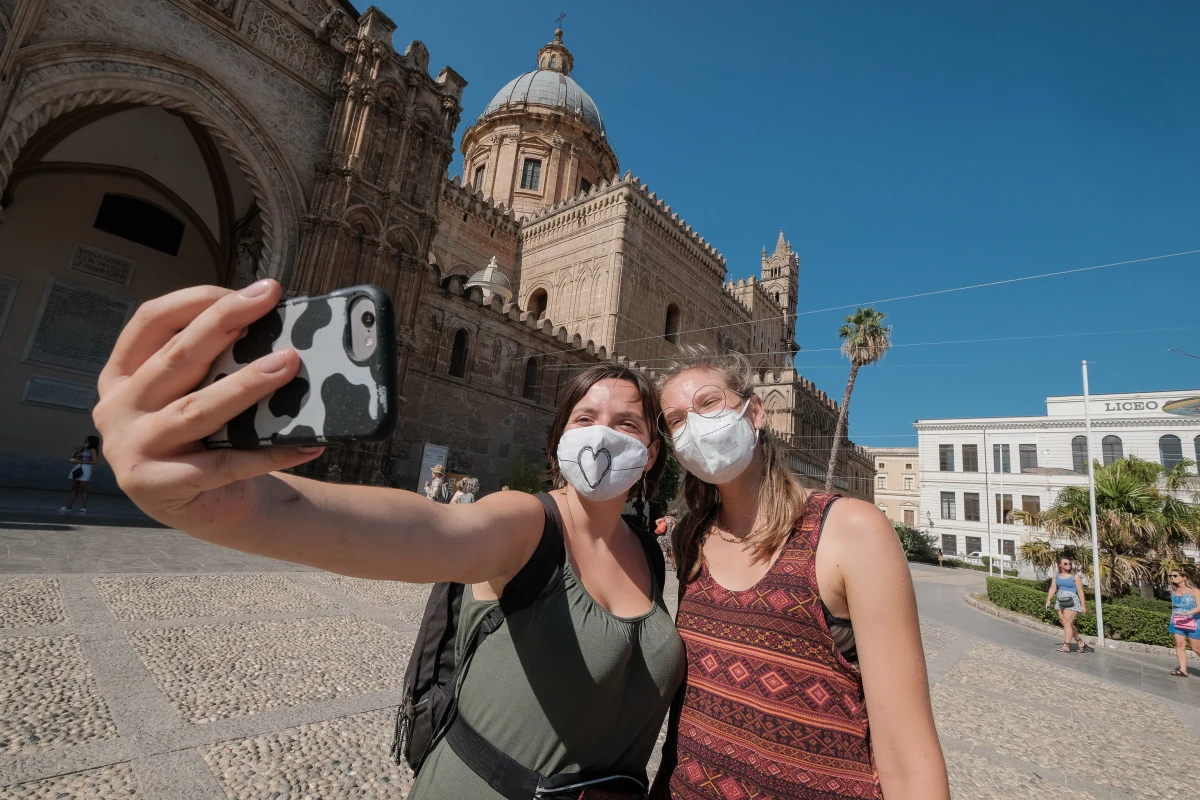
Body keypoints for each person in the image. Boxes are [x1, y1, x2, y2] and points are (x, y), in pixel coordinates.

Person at [91, 279, 684, 800]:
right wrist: (231, 505)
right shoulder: (526, 524)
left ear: (651, 452)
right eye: (585, 419)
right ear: (557, 441)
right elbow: (434, 530)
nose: (602, 438)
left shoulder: (650, 554)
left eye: (626, 424)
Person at [652, 347, 949, 800]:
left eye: (708, 404)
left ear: (755, 413)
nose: (693, 426)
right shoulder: (691, 539)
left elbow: (910, 760)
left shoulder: (849, 530)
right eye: (675, 420)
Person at [1044, 557, 1090, 653]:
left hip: (1072, 601)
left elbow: (1080, 592)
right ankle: (1080, 642)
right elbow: (1053, 588)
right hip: (1060, 601)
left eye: (1069, 563)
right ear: (1060, 564)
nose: (1068, 565)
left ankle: (1066, 646)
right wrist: (1048, 600)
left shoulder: (1075, 577)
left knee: (1067, 623)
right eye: (1065, 563)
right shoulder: (1056, 576)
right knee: (1066, 624)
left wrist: (1083, 606)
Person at [1168, 569, 1200, 677]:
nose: (1172, 577)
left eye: (1175, 575)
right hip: (1177, 621)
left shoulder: (1194, 591)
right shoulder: (1173, 591)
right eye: (1171, 576)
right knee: (1179, 645)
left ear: (1184, 577)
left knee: (1196, 648)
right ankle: (1183, 670)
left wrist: (1187, 614)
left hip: (1193, 621)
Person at [60, 435, 100, 514]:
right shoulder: (82, 449)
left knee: (83, 489)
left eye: (87, 440)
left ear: (91, 442)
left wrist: (80, 462)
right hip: (76, 467)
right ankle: (68, 507)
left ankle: (83, 507)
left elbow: (95, 462)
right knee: (74, 488)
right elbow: (71, 457)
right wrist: (76, 451)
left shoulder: (92, 450)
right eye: (85, 440)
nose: (85, 441)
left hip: (85, 469)